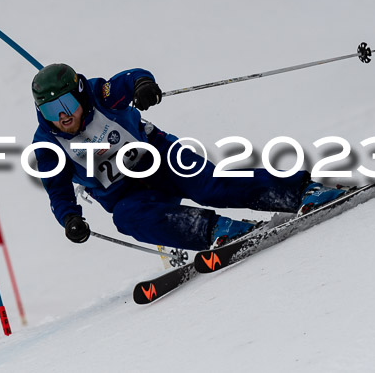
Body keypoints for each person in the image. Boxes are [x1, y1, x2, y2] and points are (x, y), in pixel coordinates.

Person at [31, 64, 344, 251]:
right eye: (49, 110)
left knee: (209, 186)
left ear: (80, 93)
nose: (63, 116)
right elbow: (58, 194)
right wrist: (70, 219)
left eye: (67, 104)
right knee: (125, 219)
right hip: (126, 194)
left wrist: (143, 86)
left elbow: (129, 79)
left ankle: (302, 191)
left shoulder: (100, 94)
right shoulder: (47, 145)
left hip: (161, 157)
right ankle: (216, 231)